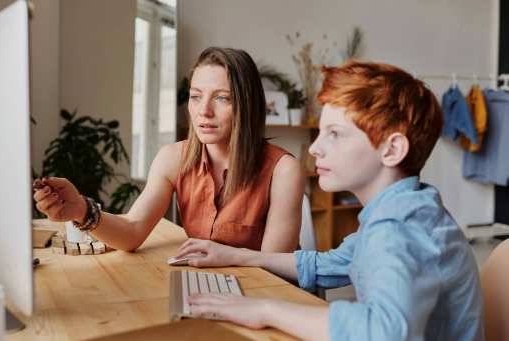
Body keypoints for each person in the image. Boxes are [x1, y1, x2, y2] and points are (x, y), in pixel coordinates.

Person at [175, 61, 483, 341]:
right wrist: (236, 255)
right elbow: (328, 264)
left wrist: (265, 310)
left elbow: (383, 331)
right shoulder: (406, 209)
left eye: (334, 134)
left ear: (391, 150)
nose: (315, 149)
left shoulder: (399, 228)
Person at [33, 46, 305, 252]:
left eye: (222, 98)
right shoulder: (173, 158)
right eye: (196, 96)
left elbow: (274, 270)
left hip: (261, 299)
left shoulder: (284, 170)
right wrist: (81, 209)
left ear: (248, 105)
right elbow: (132, 231)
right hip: (205, 289)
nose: (204, 111)